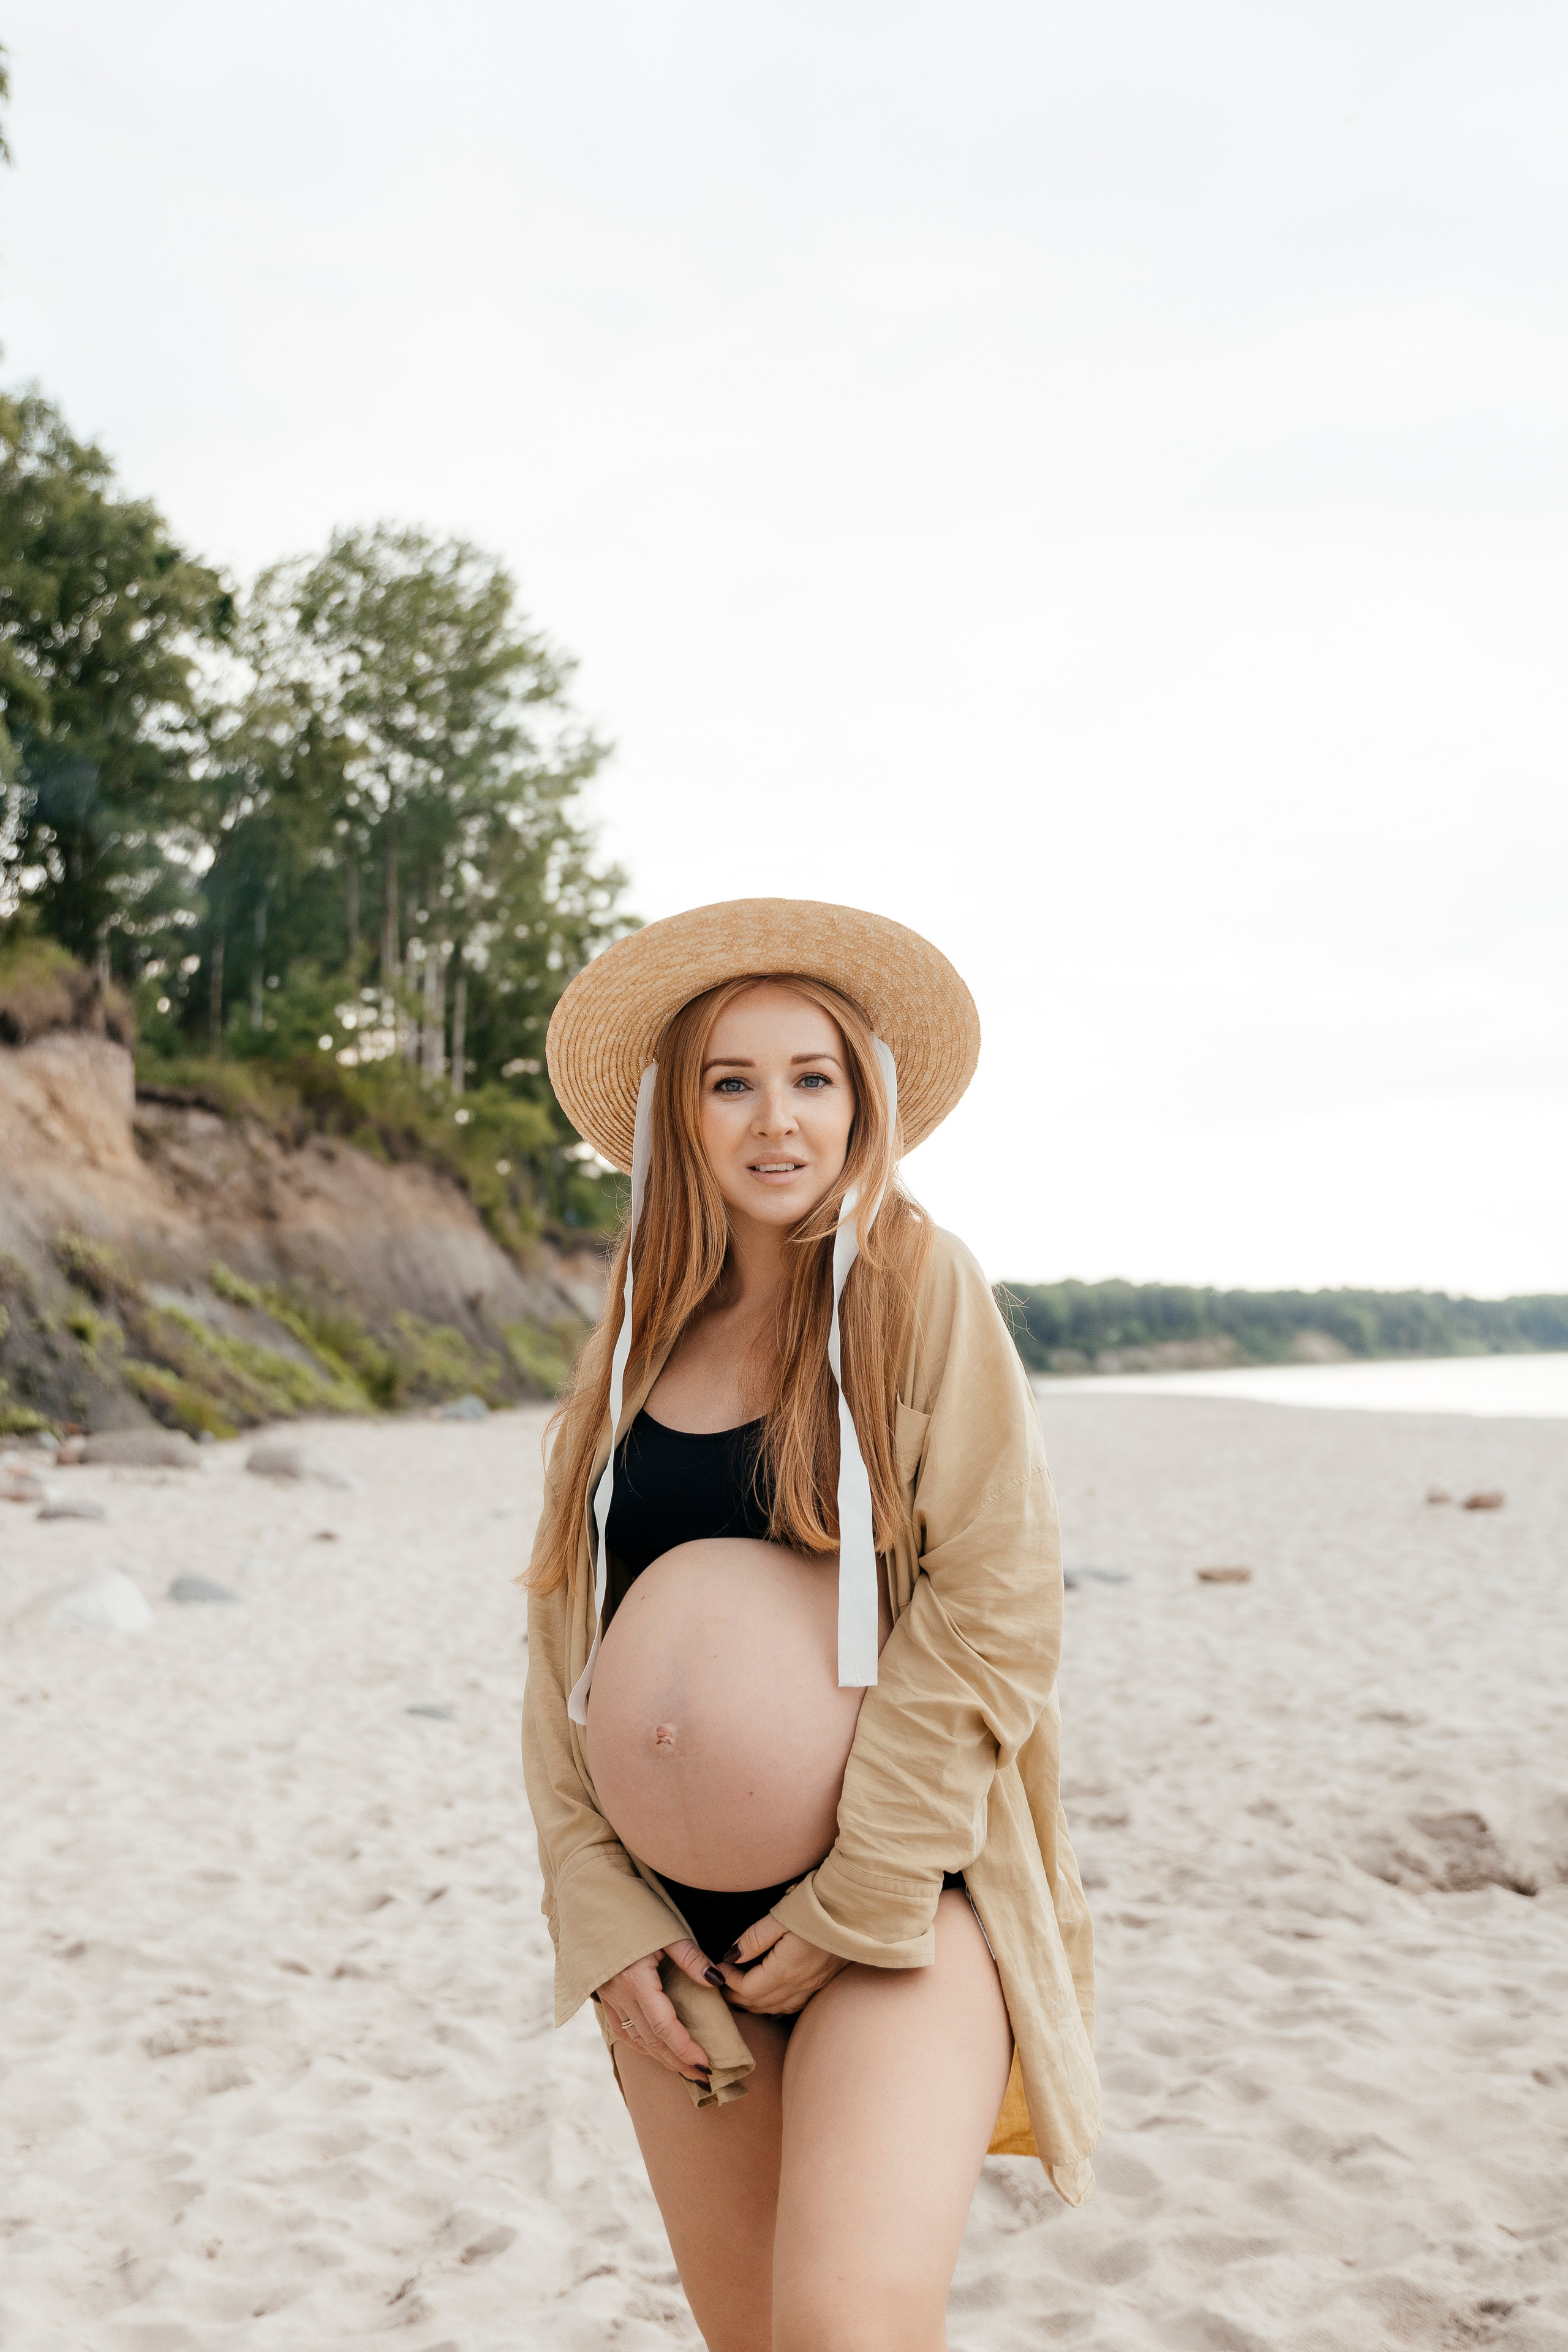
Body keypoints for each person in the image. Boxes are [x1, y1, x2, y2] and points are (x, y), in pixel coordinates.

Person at [522, 898, 1099, 2352]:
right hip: (675, 1943)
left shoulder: (911, 1286)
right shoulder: (636, 1332)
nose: (773, 1120)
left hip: (897, 1914)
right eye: (731, 1082)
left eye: (810, 1078)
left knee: (847, 2324)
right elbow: (558, 1658)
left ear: (862, 1101)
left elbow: (994, 1601)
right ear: (681, 1114)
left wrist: (862, 1893)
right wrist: (599, 1918)